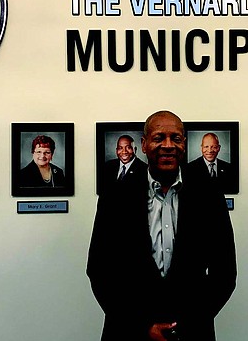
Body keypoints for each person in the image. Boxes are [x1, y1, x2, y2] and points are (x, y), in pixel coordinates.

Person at [87, 110, 237, 341]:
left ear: (184, 144)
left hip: (192, 332)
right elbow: (100, 270)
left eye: (175, 138)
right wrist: (141, 325)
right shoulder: (115, 195)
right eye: (159, 138)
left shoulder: (209, 194)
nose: (168, 145)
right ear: (144, 144)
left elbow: (224, 272)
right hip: (128, 331)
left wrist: (186, 324)